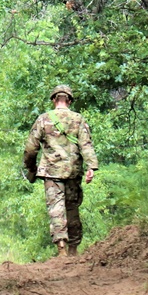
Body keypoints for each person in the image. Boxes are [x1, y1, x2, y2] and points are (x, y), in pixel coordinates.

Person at [23, 85, 98, 258]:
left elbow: (31, 148)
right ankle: (73, 250)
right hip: (73, 171)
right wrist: (91, 167)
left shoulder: (43, 119)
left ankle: (61, 249)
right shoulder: (78, 119)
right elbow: (86, 145)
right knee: (72, 208)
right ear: (69, 100)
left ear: (54, 99)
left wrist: (31, 168)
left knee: (56, 208)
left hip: (51, 172)